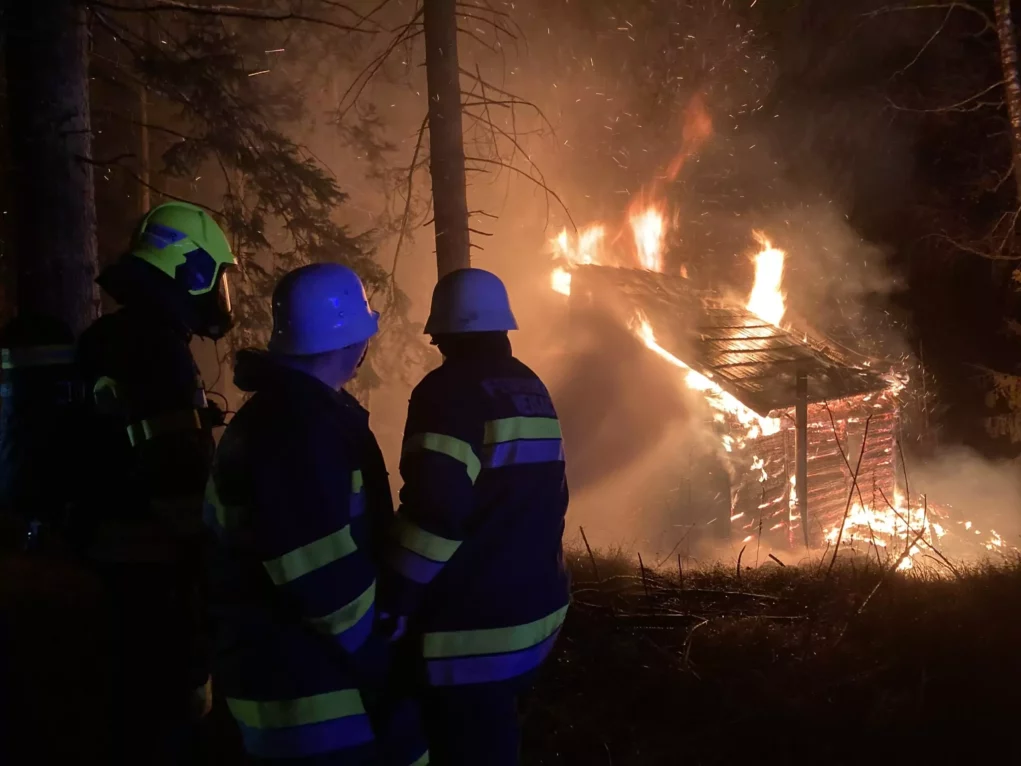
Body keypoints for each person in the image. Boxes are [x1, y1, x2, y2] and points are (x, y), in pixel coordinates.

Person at [204, 263, 428, 765]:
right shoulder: (297, 429)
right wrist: (378, 655)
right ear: (354, 341)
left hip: (302, 675)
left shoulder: (290, 416)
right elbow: (316, 569)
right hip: (306, 686)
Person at [382, 268, 571, 765]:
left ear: (440, 332)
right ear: (503, 327)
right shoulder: (530, 386)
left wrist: (395, 598)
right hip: (535, 618)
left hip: (472, 631)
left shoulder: (446, 394)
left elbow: (437, 514)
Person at [74, 201, 237, 764]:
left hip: (106, 568)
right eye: (216, 275)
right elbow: (175, 483)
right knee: (165, 726)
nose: (219, 292)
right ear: (189, 271)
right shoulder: (157, 348)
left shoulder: (109, 336)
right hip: (155, 581)